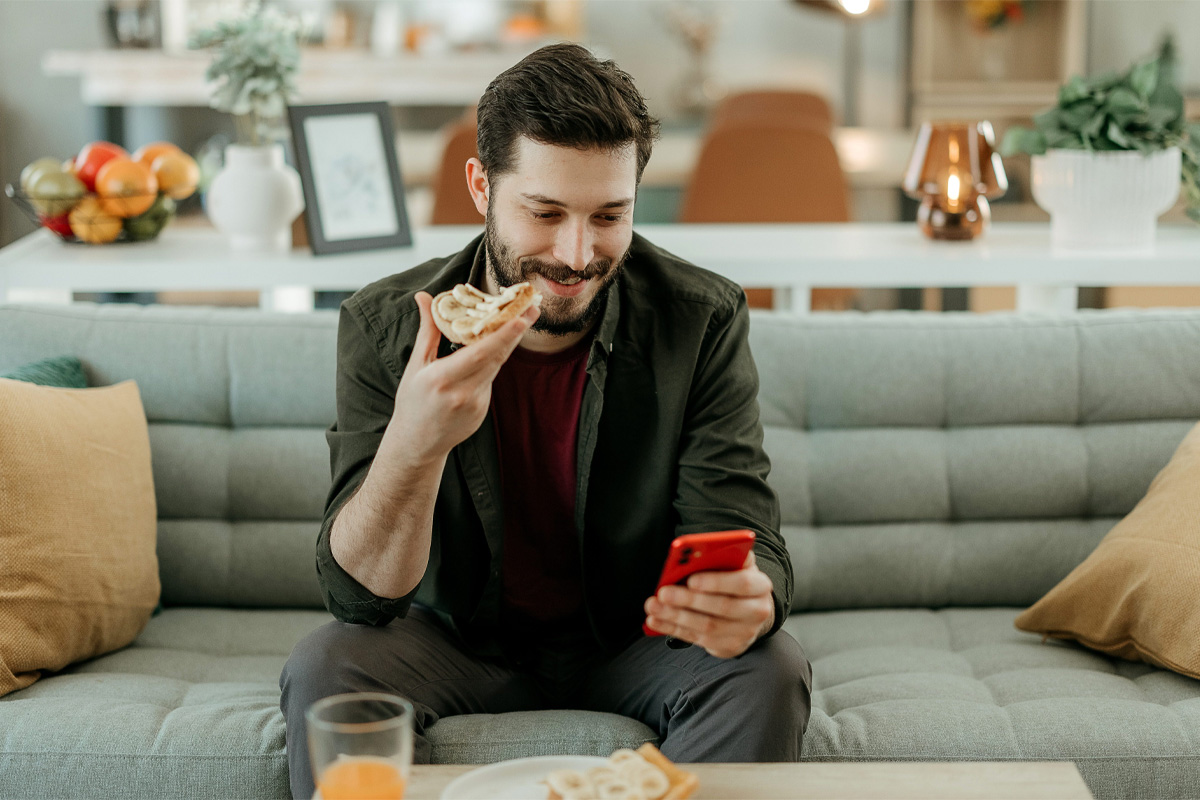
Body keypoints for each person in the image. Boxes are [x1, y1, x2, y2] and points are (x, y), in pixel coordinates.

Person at [280, 42, 812, 799]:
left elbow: (740, 529)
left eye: (608, 216)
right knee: (325, 666)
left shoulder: (700, 319)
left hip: (636, 637)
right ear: (480, 186)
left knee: (771, 668)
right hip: (453, 639)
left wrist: (748, 599)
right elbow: (362, 599)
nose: (576, 254)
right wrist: (415, 444)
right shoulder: (387, 326)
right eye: (545, 212)